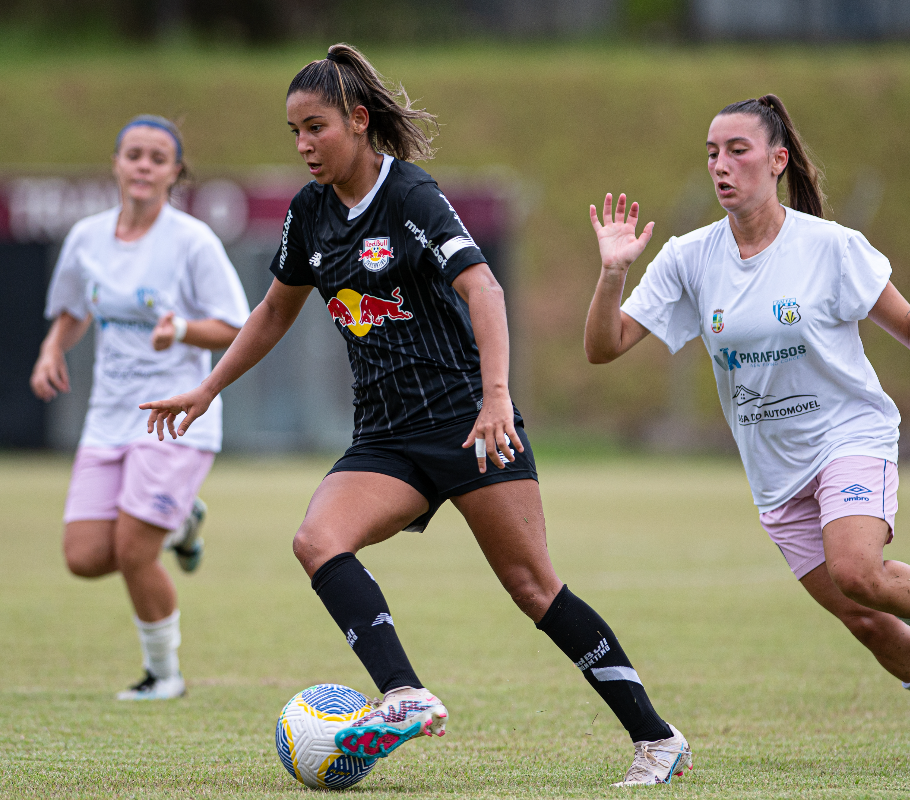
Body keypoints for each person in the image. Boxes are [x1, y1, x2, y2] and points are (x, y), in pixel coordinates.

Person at [140, 44, 691, 786]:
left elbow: (484, 291)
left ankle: (656, 739)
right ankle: (403, 694)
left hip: (468, 422)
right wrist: (208, 389)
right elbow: (273, 313)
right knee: (317, 540)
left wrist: (497, 398)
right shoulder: (308, 215)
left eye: (316, 128)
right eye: (294, 132)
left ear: (359, 122)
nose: (303, 145)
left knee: (534, 588)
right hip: (385, 438)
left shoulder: (412, 197)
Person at [584, 94, 910, 775]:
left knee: (858, 568)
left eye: (737, 150)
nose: (721, 164)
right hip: (774, 472)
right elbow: (604, 346)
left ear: (778, 159)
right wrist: (613, 271)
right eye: (711, 152)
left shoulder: (829, 246)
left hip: (849, 434)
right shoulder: (689, 257)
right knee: (864, 619)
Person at [30, 115, 250, 701]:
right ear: (116, 163)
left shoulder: (192, 240)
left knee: (132, 551)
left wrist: (180, 329)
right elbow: (73, 309)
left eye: (158, 157)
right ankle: (181, 523)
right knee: (82, 557)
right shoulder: (86, 237)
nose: (144, 166)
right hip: (108, 417)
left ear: (175, 172)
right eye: (134, 154)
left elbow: (235, 326)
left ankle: (164, 675)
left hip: (174, 418)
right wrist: (52, 349)